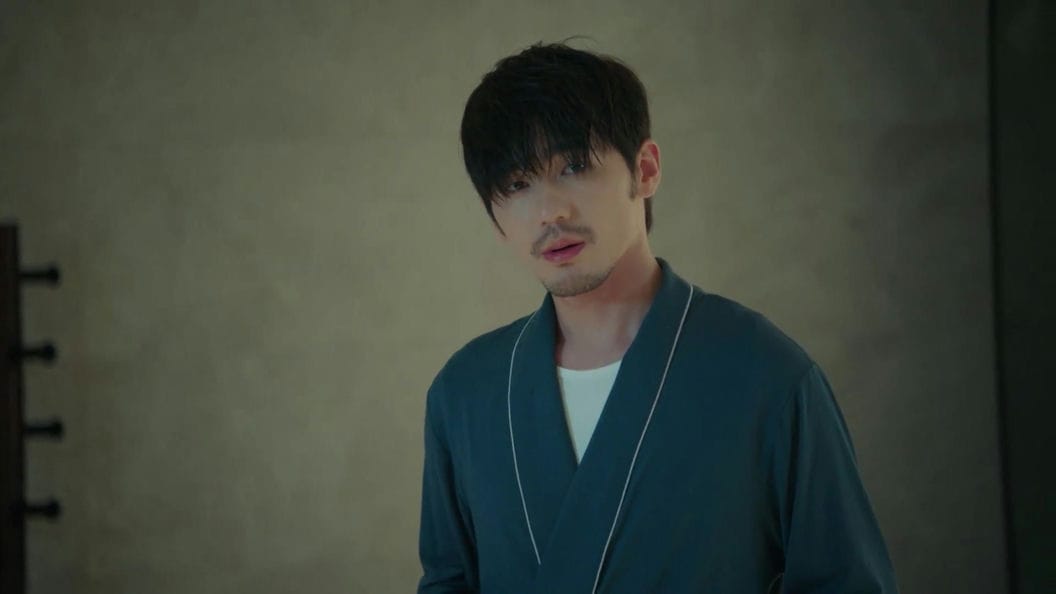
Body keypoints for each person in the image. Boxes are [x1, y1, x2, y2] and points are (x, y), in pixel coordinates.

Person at [417, 41, 899, 594]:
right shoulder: (466, 392)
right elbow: (448, 581)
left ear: (645, 170)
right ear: (495, 218)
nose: (550, 212)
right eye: (517, 185)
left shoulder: (766, 375)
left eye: (574, 166)